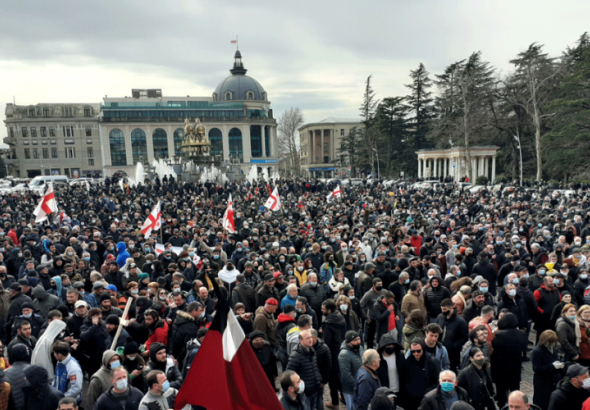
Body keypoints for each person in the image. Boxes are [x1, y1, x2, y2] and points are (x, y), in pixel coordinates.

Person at [491, 313, 528, 408]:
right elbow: (524, 347)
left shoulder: (499, 335)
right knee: (515, 387)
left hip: (501, 365)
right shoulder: (521, 334)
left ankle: (502, 405)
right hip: (515, 365)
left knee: (501, 388)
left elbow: (495, 347)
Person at [286, 329, 322, 410]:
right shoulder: (295, 356)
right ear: (301, 340)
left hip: (314, 389)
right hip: (304, 393)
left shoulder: (312, 351)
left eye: (311, 337)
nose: (311, 340)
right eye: (307, 338)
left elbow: (315, 367)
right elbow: (289, 374)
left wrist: (318, 379)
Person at [401, 339, 441, 410]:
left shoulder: (432, 362)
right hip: (411, 399)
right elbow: (404, 379)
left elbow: (438, 381)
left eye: (418, 351)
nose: (416, 353)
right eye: (413, 351)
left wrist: (427, 392)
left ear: (423, 349)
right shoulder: (408, 362)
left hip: (426, 399)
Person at [321, 299, 346, 408]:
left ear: (329, 310)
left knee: (332, 380)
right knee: (339, 378)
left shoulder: (328, 323)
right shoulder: (340, 317)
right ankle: (344, 397)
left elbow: (327, 342)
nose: (322, 310)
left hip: (332, 354)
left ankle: (335, 402)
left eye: (323, 309)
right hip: (341, 350)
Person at [531, 330, 564, 410]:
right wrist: (552, 366)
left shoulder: (553, 349)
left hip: (553, 381)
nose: (552, 344)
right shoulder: (537, 351)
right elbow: (537, 369)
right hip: (543, 383)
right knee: (543, 404)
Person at [338, 331, 364, 410]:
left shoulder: (360, 348)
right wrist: (358, 386)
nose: (358, 342)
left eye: (359, 339)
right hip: (350, 390)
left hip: (361, 387)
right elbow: (346, 375)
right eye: (355, 340)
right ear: (349, 342)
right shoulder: (344, 354)